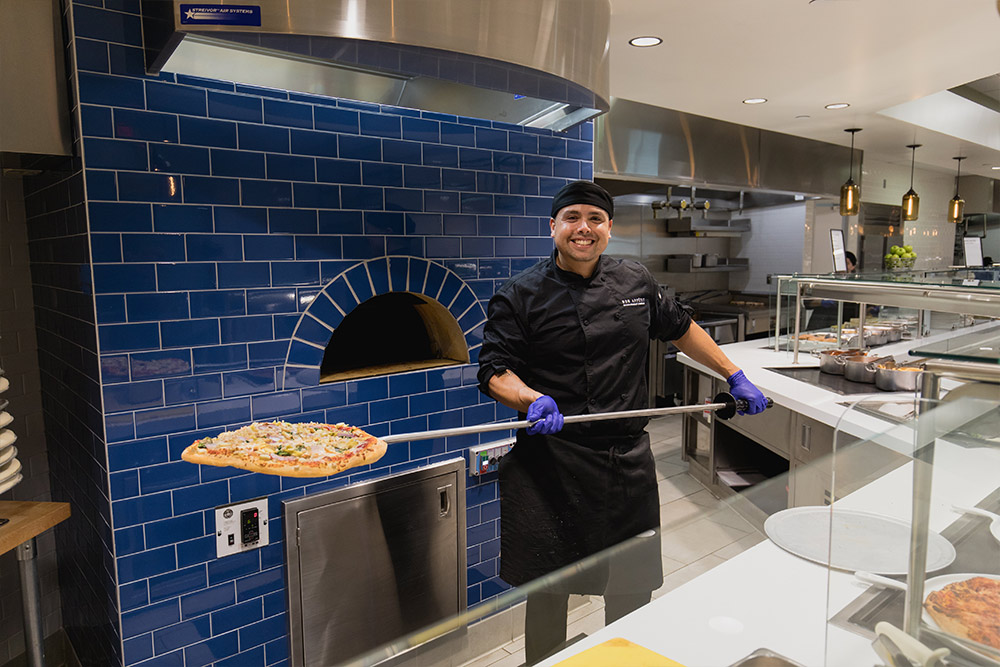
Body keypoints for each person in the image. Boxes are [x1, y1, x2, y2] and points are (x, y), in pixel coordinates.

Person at [477, 180, 768, 664]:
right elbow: (492, 371)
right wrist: (530, 399)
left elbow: (681, 329)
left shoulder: (636, 282)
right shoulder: (520, 295)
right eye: (571, 218)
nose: (583, 228)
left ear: (609, 228)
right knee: (551, 590)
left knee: (633, 585)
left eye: (595, 219)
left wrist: (734, 374)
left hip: (625, 460)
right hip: (554, 460)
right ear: (553, 227)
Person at [807, 250, 858, 330]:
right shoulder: (827, 280)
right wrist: (822, 302)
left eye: (846, 264)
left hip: (841, 325)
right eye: (840, 264)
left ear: (853, 266)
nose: (843, 267)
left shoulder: (855, 283)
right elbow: (807, 302)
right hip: (818, 323)